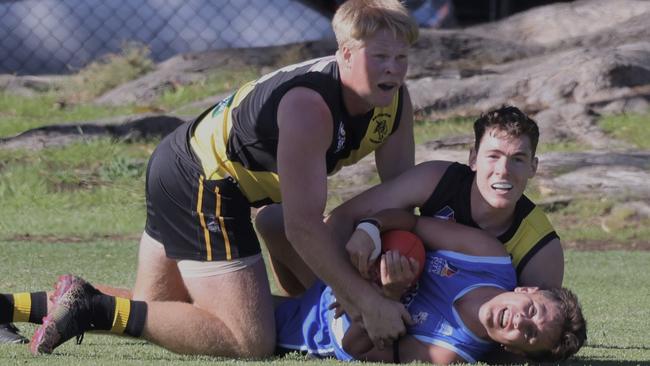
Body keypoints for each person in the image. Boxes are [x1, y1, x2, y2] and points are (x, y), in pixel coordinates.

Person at [0, 0, 420, 357]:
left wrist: (377, 233)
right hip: (202, 179)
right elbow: (303, 226)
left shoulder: (395, 102)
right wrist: (362, 299)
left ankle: (9, 306)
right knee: (248, 338)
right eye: (379, 57)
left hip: (185, 162)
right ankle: (92, 307)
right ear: (345, 54)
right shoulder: (310, 106)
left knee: (165, 309)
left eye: (401, 58)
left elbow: (400, 194)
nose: (393, 70)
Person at [271, 105, 564, 295]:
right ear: (473, 159)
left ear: (533, 168)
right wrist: (353, 293)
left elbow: (534, 329)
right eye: (494, 156)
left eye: (518, 159)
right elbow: (343, 218)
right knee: (273, 221)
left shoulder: (542, 248)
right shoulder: (437, 179)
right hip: (383, 290)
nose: (504, 170)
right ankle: (304, 302)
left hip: (439, 325)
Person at [274, 210, 587, 364]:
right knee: (273, 219)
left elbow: (355, 348)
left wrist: (387, 295)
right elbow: (410, 223)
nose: (520, 321)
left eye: (529, 333)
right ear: (525, 291)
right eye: (531, 311)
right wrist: (371, 230)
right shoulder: (487, 255)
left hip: (319, 322)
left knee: (254, 334)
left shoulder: (448, 353)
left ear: (515, 349)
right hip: (337, 260)